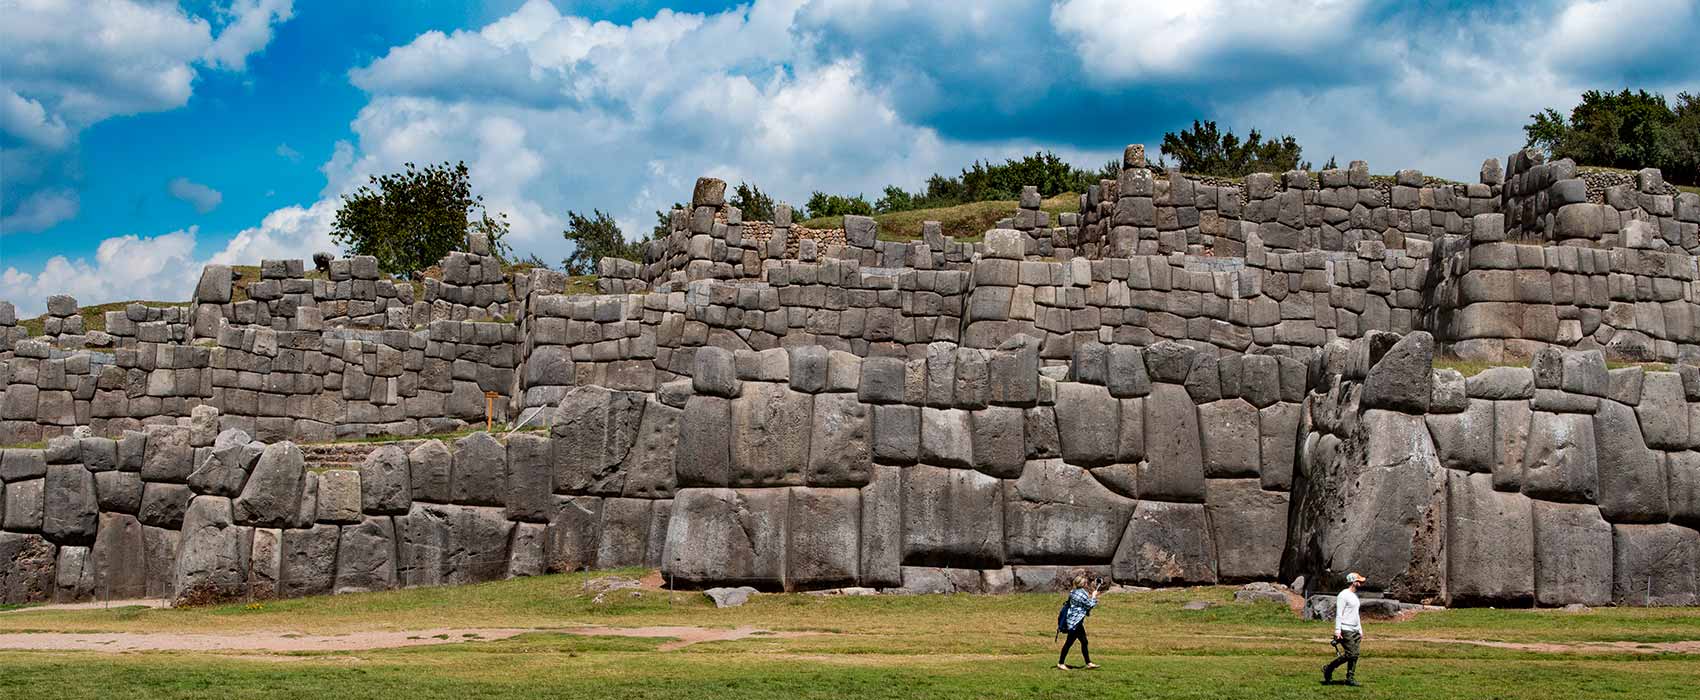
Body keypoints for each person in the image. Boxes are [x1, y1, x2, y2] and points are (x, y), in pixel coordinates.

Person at [1322, 572, 1365, 686]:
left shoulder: (1355, 596)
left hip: (1355, 629)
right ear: (1353, 582)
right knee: (1351, 654)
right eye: (1359, 581)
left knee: (1355, 654)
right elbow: (1339, 614)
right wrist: (1337, 630)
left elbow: (1356, 614)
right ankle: (1329, 668)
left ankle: (1350, 678)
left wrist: (1360, 630)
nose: (1361, 583)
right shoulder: (1343, 595)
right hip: (1346, 629)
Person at [1057, 574, 1099, 670]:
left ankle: (1088, 662)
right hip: (1075, 622)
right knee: (1069, 643)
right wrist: (1093, 596)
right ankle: (1061, 663)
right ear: (1082, 583)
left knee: (1084, 642)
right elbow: (1089, 605)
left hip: (1075, 621)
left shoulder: (1073, 592)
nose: (1086, 583)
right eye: (1085, 582)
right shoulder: (1080, 594)